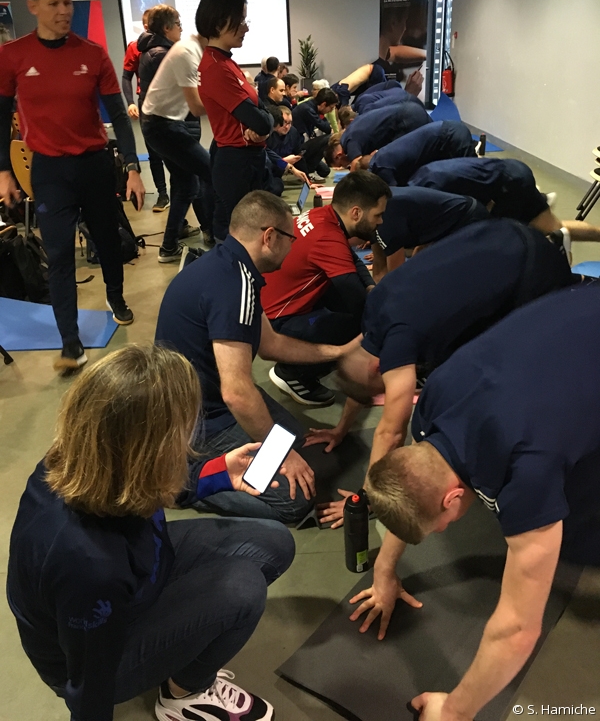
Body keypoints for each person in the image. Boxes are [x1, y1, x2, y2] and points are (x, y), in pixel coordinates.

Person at [7, 343, 294, 721]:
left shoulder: (87, 454)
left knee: (274, 542)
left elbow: (156, 485)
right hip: (96, 644)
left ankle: (176, 641)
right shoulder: (90, 565)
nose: (190, 437)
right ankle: (184, 695)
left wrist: (221, 473)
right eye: (182, 430)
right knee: (243, 588)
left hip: (141, 570)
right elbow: (88, 681)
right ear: (148, 451)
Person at [358, 282, 600, 720]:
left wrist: (452, 711)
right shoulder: (434, 399)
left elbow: (517, 629)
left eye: (441, 524)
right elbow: (407, 485)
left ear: (452, 498)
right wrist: (384, 569)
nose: (447, 530)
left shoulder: (530, 471)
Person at [310, 219, 579, 526]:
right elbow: (356, 374)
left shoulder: (398, 344)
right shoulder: (374, 314)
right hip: (500, 231)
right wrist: (341, 428)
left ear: (379, 368)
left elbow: (392, 430)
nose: (386, 387)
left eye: (382, 384)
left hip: (530, 265)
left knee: (537, 345)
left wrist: (368, 497)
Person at [155, 191, 357, 524]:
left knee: (296, 444)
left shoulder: (231, 267)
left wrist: (339, 351)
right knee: (295, 502)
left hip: (203, 400)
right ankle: (182, 486)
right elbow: (236, 392)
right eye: (290, 238)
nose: (293, 248)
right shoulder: (233, 284)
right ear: (269, 237)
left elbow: (271, 344)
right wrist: (285, 458)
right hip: (199, 420)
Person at [0, 0, 144, 371]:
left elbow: (117, 112)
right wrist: (3, 171)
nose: (64, 11)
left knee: (107, 241)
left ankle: (116, 298)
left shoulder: (92, 53)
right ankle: (71, 344)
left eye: (67, 2)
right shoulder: (12, 56)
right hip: (50, 171)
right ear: (33, 7)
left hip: (95, 165)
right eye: (54, 4)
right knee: (60, 256)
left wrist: (132, 168)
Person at [262, 172, 391, 406]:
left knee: (353, 299)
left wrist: (371, 285)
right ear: (356, 212)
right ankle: (292, 372)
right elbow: (359, 302)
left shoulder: (322, 215)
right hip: (280, 321)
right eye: (378, 215)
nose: (380, 222)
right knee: (360, 326)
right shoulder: (328, 238)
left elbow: (351, 260)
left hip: (274, 304)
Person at [196, 0, 274, 241]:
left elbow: (265, 113)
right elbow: (260, 121)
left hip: (246, 160)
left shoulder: (227, 62)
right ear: (219, 23)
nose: (246, 27)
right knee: (240, 238)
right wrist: (265, 122)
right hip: (235, 163)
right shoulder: (216, 68)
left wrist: (266, 121)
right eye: (240, 21)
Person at [141, 27, 216, 261]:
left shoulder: (193, 51)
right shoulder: (187, 53)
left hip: (167, 124)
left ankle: (169, 247)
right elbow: (196, 107)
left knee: (186, 186)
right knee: (212, 171)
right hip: (163, 126)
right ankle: (220, 235)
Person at [409, 157, 600, 243]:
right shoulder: (419, 181)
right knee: (555, 228)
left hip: (509, 187)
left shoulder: (430, 194)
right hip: (512, 173)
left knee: (498, 241)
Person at [371, 186, 489, 279]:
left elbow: (397, 278)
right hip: (454, 217)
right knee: (419, 264)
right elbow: (379, 267)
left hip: (469, 220)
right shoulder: (377, 206)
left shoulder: (385, 216)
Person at [122, 8, 169, 212]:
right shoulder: (135, 48)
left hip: (170, 105)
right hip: (146, 104)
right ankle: (162, 194)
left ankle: (184, 193)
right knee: (154, 152)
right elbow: (126, 77)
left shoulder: (172, 46)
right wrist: (131, 102)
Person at [356, 120, 476, 186]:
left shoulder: (381, 166)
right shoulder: (382, 155)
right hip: (449, 132)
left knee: (473, 179)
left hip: (449, 137)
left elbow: (395, 195)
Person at [325, 101, 431, 170]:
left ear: (338, 155)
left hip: (407, 121)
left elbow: (356, 167)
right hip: (411, 110)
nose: (344, 167)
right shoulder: (351, 131)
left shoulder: (349, 141)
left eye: (340, 165)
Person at [267, 105, 330, 180]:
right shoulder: (268, 136)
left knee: (325, 170)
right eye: (284, 123)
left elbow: (298, 155)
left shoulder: (293, 132)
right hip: (275, 166)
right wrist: (284, 162)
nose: (287, 127)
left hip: (291, 161)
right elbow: (268, 163)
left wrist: (307, 180)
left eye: (289, 123)